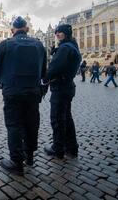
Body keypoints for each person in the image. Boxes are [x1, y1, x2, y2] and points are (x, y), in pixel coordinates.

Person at [0, 16, 47, 175]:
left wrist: (3, 85)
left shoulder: (4, 45)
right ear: (27, 29)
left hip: (12, 91)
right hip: (32, 92)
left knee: (14, 125)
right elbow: (44, 72)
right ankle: (29, 156)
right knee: (31, 123)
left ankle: (16, 161)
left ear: (12, 31)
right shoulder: (39, 45)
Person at [44, 24, 81, 159]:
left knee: (57, 119)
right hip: (68, 86)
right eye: (56, 32)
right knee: (67, 118)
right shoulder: (72, 46)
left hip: (60, 87)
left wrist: (45, 79)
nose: (57, 34)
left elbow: (54, 67)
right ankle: (72, 148)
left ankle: (58, 148)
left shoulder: (65, 48)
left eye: (60, 32)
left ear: (66, 33)